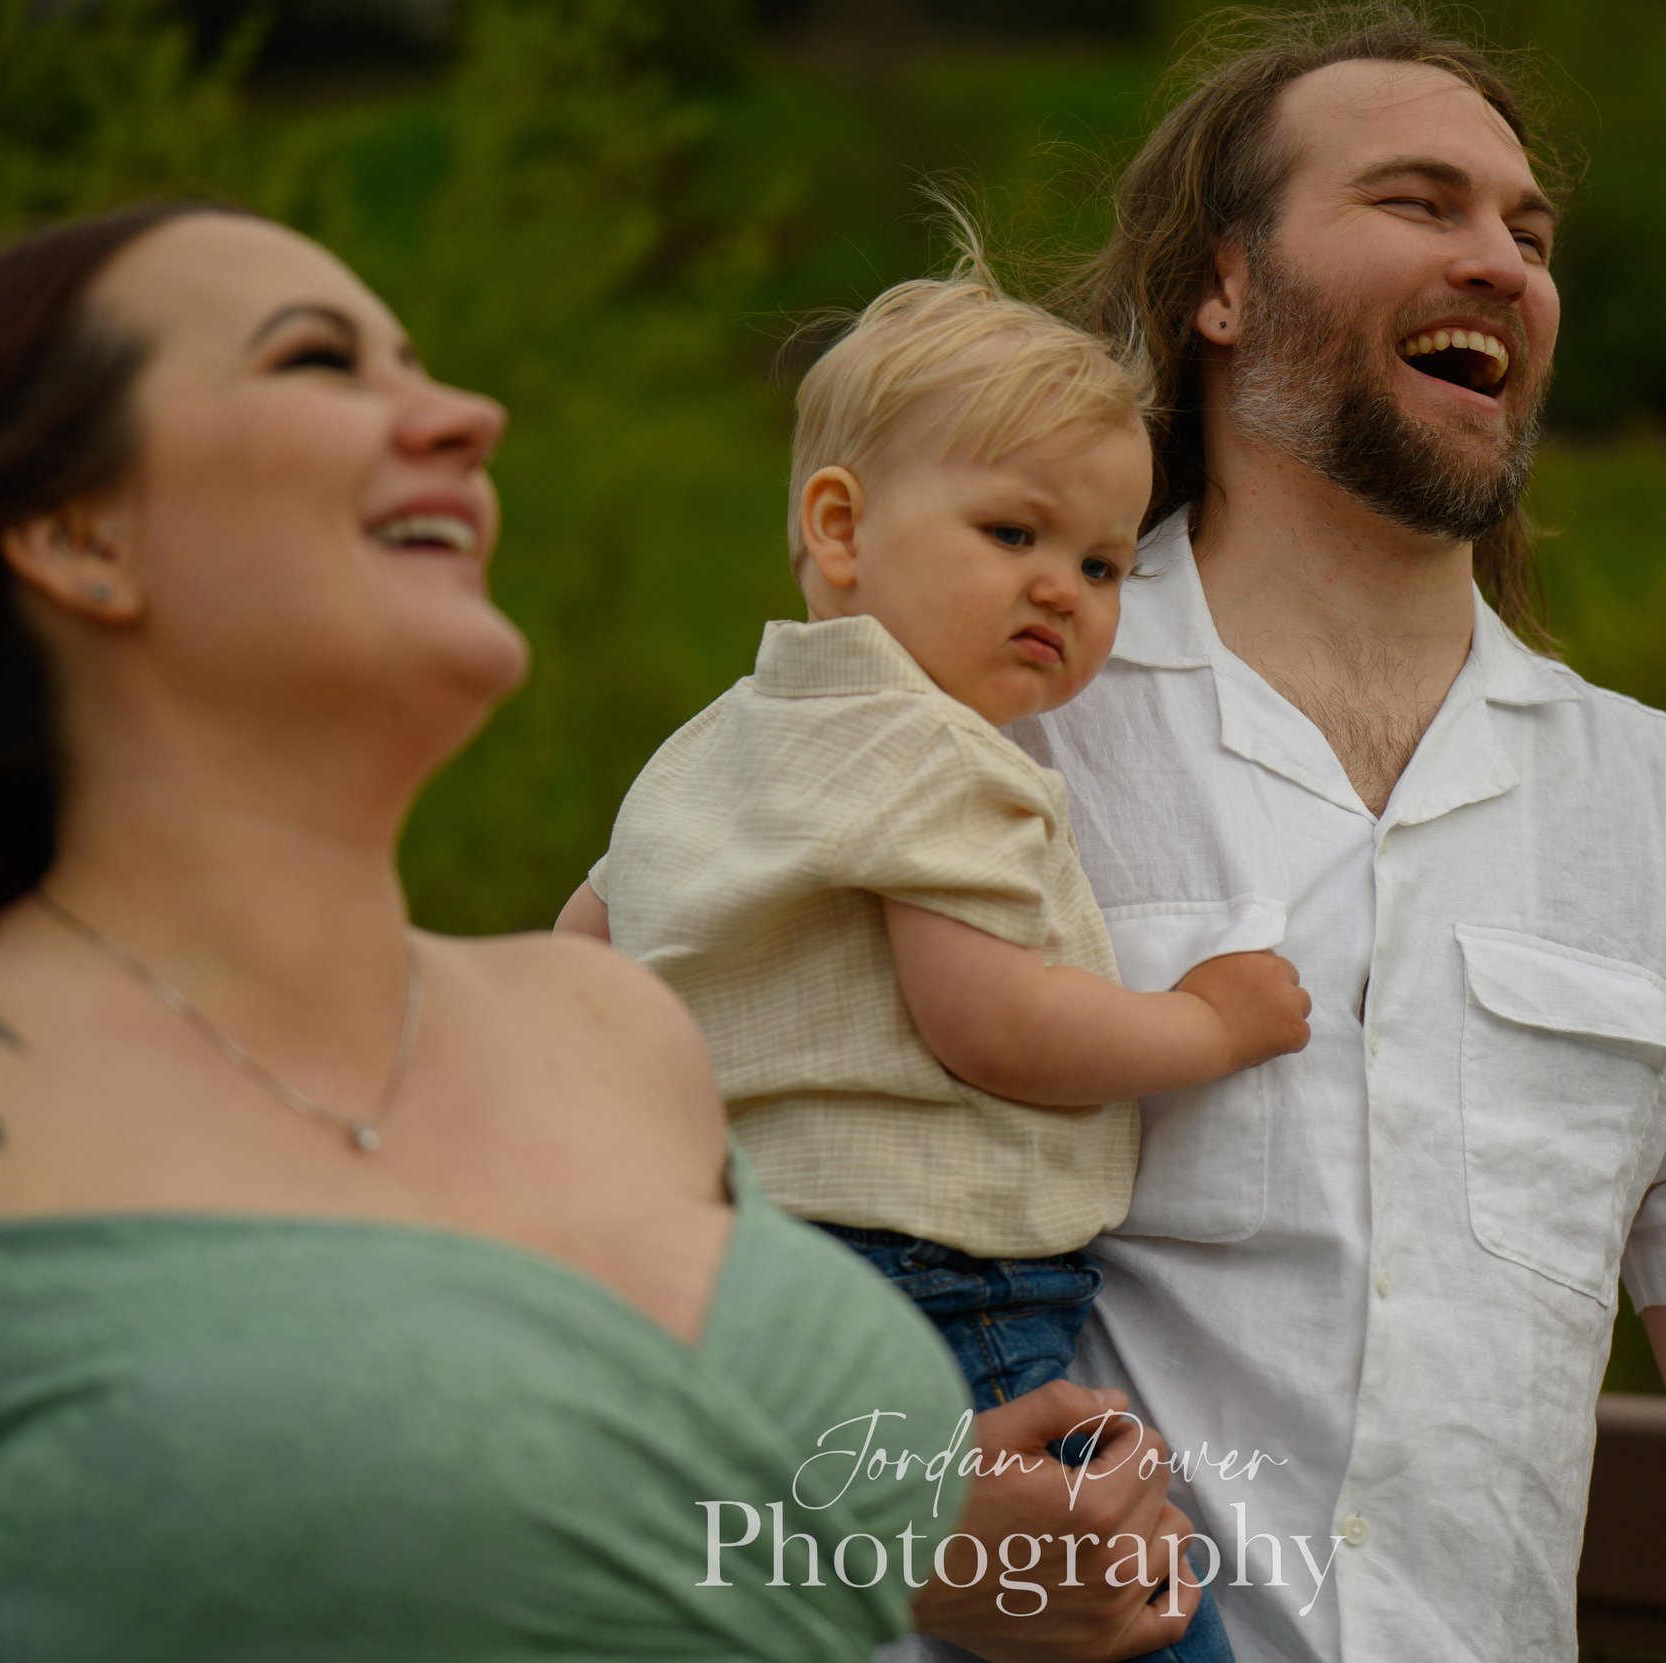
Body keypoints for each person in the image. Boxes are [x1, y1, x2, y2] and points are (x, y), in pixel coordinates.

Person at [891, 8, 1666, 1662]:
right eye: (1418, 204)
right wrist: (897, 1536)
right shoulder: (968, 715)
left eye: (1530, 233)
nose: (1501, 260)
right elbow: (625, 1229)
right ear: (1223, 286)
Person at [0, 202, 983, 1663]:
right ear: (81, 534)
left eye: (419, 362)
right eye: (317, 360)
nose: (469, 417)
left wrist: (964, 1545)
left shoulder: (611, 1026)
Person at [553, 258, 1314, 1663]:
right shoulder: (946, 758)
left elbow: (578, 968)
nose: (1062, 590)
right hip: (937, 1290)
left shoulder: (705, 751)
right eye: (1012, 531)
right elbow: (995, 1027)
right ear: (840, 527)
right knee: (1125, 1604)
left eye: (1102, 565)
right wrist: (1211, 1024)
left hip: (746, 1285)